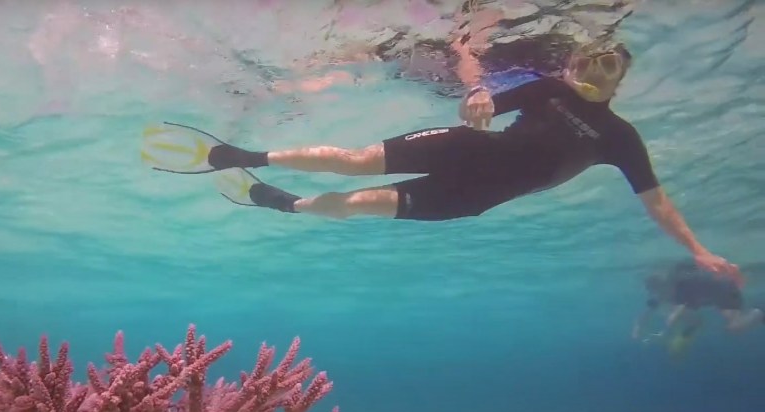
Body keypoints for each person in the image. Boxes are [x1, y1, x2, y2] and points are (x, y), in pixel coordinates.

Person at [193, 38, 741, 284]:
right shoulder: (548, 87)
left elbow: (658, 201)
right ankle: (248, 155)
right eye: (585, 61)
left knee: (358, 203)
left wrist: (699, 250)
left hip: (475, 196)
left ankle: (287, 205)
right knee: (353, 160)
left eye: (607, 67)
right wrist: (477, 100)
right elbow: (482, 106)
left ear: (620, 81)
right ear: (573, 63)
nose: (591, 71)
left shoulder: (619, 138)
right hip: (466, 147)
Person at [632, 261, 763, 343]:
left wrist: (666, 330)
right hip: (719, 292)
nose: (657, 295)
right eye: (654, 291)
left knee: (736, 327)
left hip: (722, 290)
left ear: (663, 284)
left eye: (656, 289)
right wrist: (637, 328)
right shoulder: (667, 292)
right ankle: (758, 311)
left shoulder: (681, 287)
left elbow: (679, 312)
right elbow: (647, 312)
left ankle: (760, 310)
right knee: (734, 325)